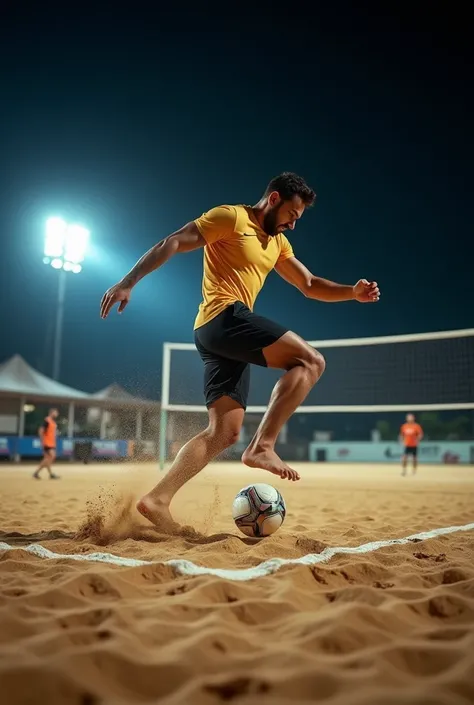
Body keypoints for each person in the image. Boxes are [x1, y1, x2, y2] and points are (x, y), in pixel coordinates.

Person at [100, 172, 380, 529]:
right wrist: (127, 282)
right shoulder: (231, 217)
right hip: (223, 317)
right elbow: (172, 241)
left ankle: (157, 499)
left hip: (218, 334)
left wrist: (351, 293)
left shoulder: (277, 243)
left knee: (224, 433)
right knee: (310, 360)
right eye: (292, 215)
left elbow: (309, 285)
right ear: (274, 199)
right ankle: (263, 446)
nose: (294, 224)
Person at [33, 408, 61, 480]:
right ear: (51, 413)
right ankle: (39, 473)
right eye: (55, 412)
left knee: (47, 458)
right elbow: (41, 430)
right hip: (47, 442)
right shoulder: (47, 421)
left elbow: (52, 432)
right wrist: (42, 441)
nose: (56, 414)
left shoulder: (53, 422)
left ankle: (44, 473)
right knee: (52, 456)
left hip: (51, 442)